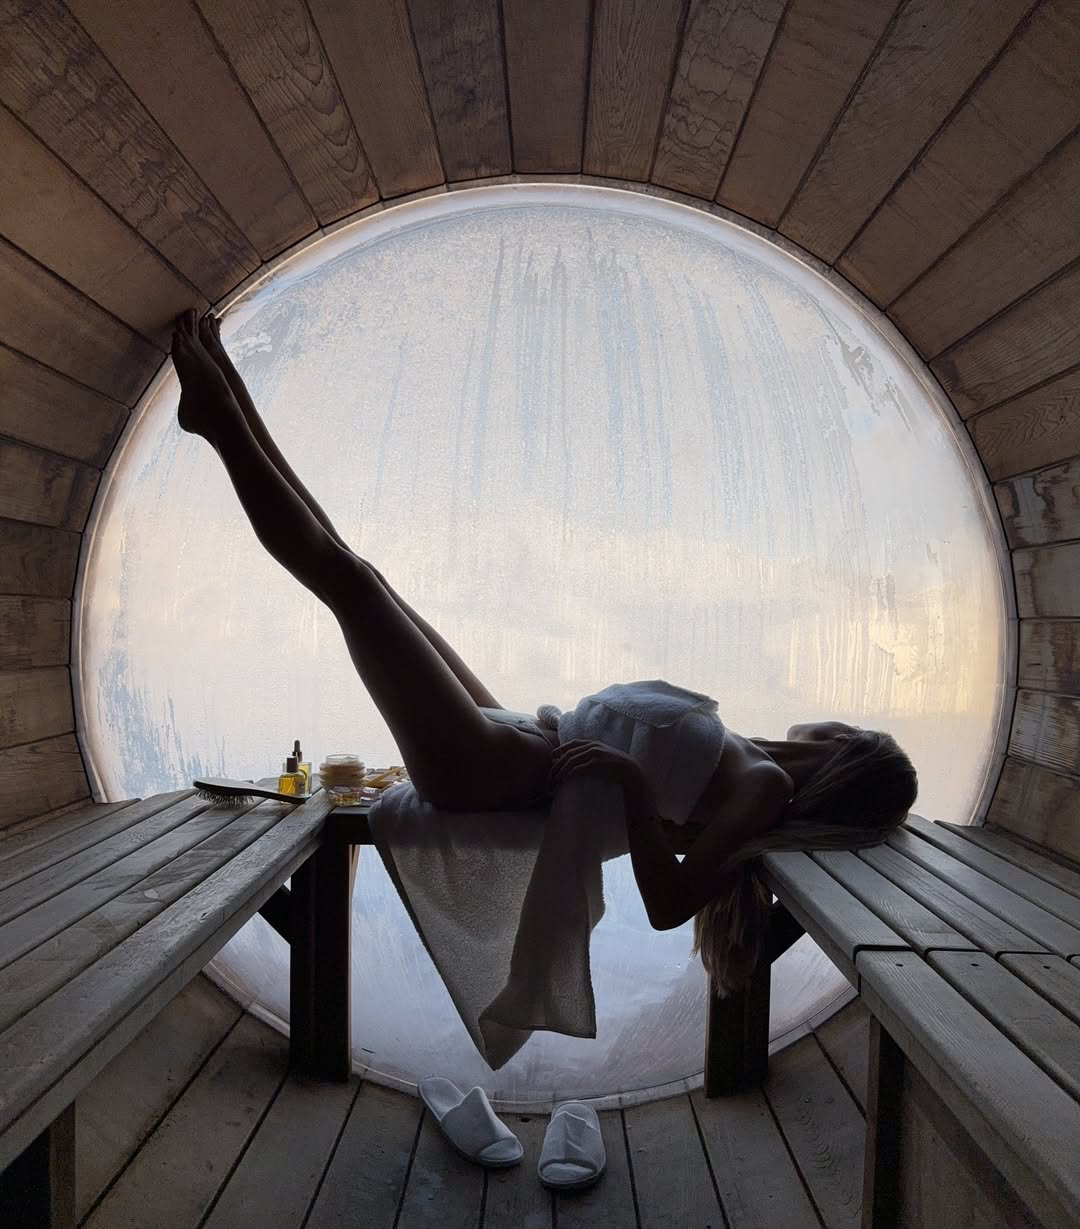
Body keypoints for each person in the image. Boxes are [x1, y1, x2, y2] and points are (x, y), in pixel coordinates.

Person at [171, 310, 918, 994]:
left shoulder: (765, 789)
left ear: (851, 750)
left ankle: (220, 420)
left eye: (855, 730)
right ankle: (228, 396)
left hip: (488, 769)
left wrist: (631, 783)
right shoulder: (751, 759)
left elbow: (667, 907)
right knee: (369, 577)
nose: (841, 720)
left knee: (352, 585)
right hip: (514, 732)